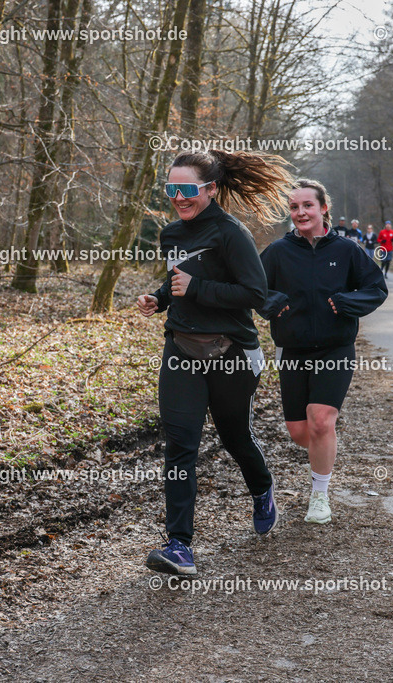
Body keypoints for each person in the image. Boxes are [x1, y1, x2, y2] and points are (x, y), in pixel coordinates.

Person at [137, 149, 293, 575]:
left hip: (231, 352)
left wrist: (197, 287)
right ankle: (179, 546)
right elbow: (178, 279)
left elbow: (256, 295)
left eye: (186, 190)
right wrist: (161, 297)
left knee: (233, 435)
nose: (178, 198)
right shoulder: (171, 234)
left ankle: (262, 489)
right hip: (182, 348)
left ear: (210, 189)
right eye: (171, 189)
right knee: (180, 443)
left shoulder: (231, 233)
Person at [258, 180, 388, 524]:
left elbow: (376, 289)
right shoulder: (278, 252)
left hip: (335, 347)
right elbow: (253, 289)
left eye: (307, 206)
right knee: (301, 432)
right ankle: (322, 442)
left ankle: (319, 496)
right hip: (293, 349)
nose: (301, 212)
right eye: (294, 207)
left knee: (320, 419)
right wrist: (272, 304)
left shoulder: (347, 251)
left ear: (323, 208)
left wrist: (346, 303)